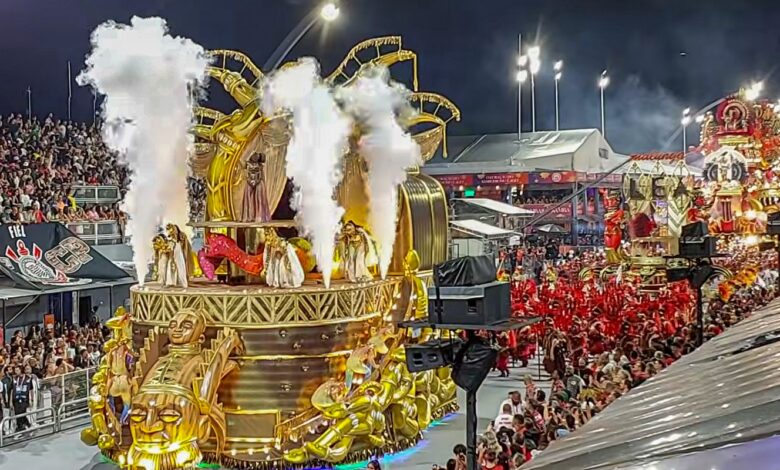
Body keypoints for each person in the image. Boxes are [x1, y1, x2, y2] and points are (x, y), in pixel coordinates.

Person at [12, 365, 33, 431]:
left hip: (24, 399)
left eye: (17, 370)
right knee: (17, 413)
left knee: (22, 413)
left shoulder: (28, 378)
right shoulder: (15, 379)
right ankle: (22, 426)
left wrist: (31, 399)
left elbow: (31, 389)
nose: (16, 372)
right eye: (15, 370)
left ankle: (23, 426)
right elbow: (12, 390)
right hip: (16, 399)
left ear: (21, 370)